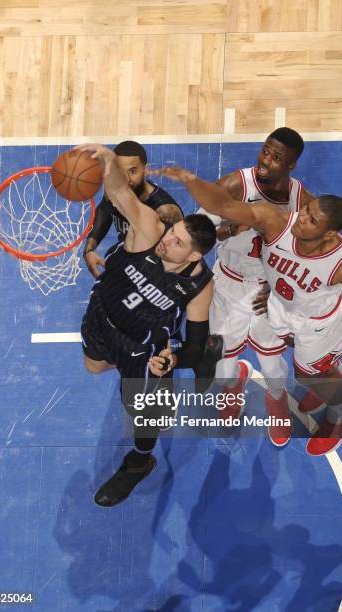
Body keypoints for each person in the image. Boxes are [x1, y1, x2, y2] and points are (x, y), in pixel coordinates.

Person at [154, 165, 342, 456]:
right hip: (282, 306)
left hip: (319, 320)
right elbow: (224, 205)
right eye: (306, 211)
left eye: (311, 220)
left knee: (306, 374)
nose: (301, 218)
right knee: (245, 359)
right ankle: (336, 372)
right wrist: (189, 179)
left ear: (329, 234)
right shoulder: (278, 221)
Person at [196, 128, 342, 447]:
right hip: (228, 285)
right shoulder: (235, 185)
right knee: (223, 364)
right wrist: (229, 229)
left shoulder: (303, 203)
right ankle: (233, 388)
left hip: (268, 293)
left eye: (277, 157)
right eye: (265, 151)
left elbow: (324, 247)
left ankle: (277, 402)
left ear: (291, 165)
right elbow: (199, 232)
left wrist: (280, 284)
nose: (266, 161)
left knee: (272, 364)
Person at [77, 143, 217, 506]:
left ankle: (138, 462)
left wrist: (171, 361)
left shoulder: (200, 286)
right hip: (102, 317)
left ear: (194, 255)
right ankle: (143, 380)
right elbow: (119, 193)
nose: (168, 240)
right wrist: (109, 161)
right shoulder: (148, 231)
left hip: (143, 346)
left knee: (147, 414)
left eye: (178, 242)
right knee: (93, 368)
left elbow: (196, 343)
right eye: (174, 232)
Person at [82, 140, 183, 278]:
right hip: (128, 258)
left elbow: (180, 256)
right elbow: (105, 209)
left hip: (153, 275)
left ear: (145, 169)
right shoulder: (114, 188)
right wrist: (89, 250)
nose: (127, 179)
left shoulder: (165, 211)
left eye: (133, 171)